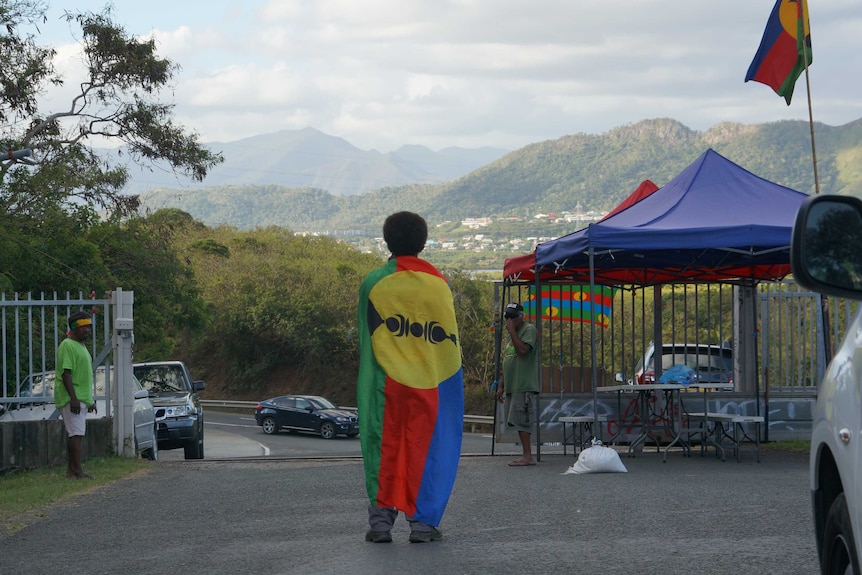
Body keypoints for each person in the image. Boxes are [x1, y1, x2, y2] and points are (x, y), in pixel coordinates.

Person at [356, 211, 464, 544]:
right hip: (431, 382)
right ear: (423, 242)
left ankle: (380, 525)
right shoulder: (439, 284)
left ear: (387, 240)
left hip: (385, 382)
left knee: (382, 447)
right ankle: (422, 525)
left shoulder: (373, 283)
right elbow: (447, 341)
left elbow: (368, 336)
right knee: (429, 447)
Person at [54, 310, 97, 479]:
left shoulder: (81, 346)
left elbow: (82, 375)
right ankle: (76, 471)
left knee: (77, 433)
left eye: (89, 327)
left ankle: (72, 471)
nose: (87, 330)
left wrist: (89, 401)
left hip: (80, 397)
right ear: (73, 328)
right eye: (83, 327)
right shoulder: (67, 345)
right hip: (72, 397)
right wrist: (73, 399)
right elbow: (66, 374)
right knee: (76, 434)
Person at [496, 301, 539, 466]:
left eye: (513, 317)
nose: (509, 320)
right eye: (507, 317)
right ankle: (525, 454)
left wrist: (513, 331)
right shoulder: (510, 335)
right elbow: (508, 360)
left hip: (524, 383)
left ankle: (528, 456)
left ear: (521, 316)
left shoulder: (528, 330)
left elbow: (522, 351)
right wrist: (501, 385)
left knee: (523, 419)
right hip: (512, 384)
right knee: (516, 419)